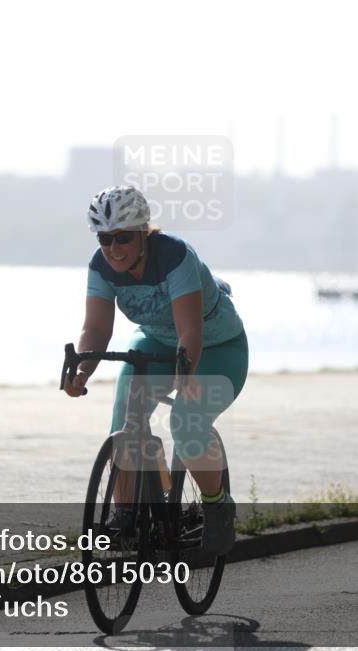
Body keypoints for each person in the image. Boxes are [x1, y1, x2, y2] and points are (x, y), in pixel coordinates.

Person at [63, 185, 249, 555]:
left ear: (143, 233)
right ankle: (127, 513)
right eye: (105, 238)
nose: (113, 248)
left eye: (123, 238)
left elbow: (190, 330)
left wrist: (185, 376)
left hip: (217, 348)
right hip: (155, 342)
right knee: (125, 417)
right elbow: (96, 329)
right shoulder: (100, 266)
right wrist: (82, 371)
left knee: (186, 422)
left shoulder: (174, 255)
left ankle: (217, 506)